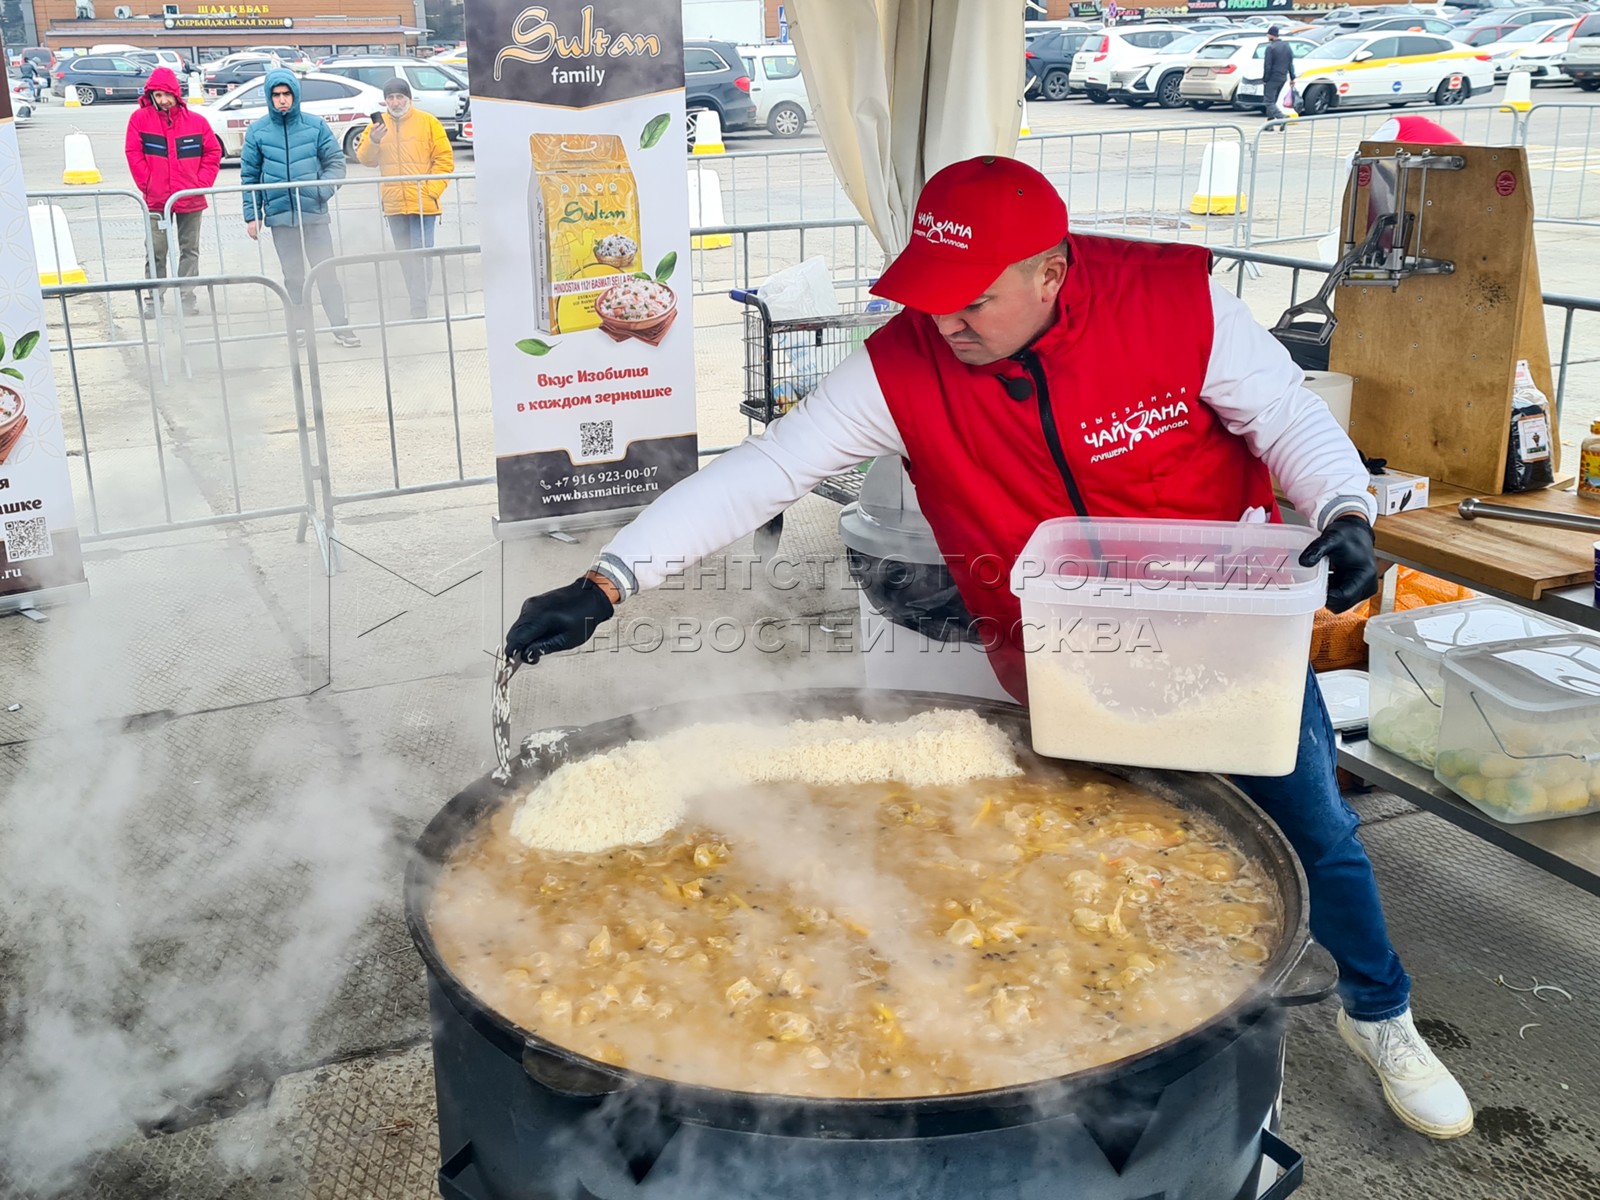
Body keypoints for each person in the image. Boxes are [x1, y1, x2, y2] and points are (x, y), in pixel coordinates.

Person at [501, 156, 1476, 1141]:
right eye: (930, 299)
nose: (945, 324)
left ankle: (1378, 1013)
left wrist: (1345, 508)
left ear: (1049, 274)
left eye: (972, 301)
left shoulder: (1176, 305)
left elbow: (1289, 419)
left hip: (1220, 634)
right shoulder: (903, 361)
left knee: (1311, 829)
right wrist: (605, 581)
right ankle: (1103, 1037)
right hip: (1057, 651)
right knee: (1079, 842)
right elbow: (765, 471)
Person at [240, 68, 361, 348]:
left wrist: (322, 189)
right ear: (270, 98)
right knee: (293, 277)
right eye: (276, 95)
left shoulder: (315, 126)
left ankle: (341, 327)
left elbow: (335, 163)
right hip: (280, 217)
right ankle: (301, 329)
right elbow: (249, 176)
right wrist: (252, 215)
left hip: (314, 215)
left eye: (286, 94)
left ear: (295, 95)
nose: (282, 100)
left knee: (326, 272)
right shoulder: (257, 130)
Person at [124, 66, 222, 319]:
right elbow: (133, 154)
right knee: (156, 251)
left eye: (167, 94)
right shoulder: (139, 119)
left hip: (190, 197)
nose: (163, 100)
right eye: (158, 95)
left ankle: (187, 296)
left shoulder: (197, 122)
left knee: (190, 249)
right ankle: (154, 298)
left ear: (177, 94)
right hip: (156, 199)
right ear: (151, 95)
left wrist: (201, 183)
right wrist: (147, 184)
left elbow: (212, 153)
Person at [355, 76, 455, 319]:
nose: (395, 102)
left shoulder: (428, 122)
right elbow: (366, 160)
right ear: (385, 101)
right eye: (390, 97)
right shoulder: (377, 127)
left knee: (421, 256)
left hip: (423, 204)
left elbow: (444, 160)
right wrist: (373, 141)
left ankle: (419, 306)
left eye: (400, 97)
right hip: (394, 204)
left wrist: (430, 191)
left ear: (409, 98)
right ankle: (414, 298)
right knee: (404, 257)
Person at [1263, 26, 1296, 122]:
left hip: (1272, 77)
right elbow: (1290, 63)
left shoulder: (1270, 47)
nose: (1267, 36)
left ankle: (1281, 117)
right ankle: (1270, 123)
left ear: (1271, 35)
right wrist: (1292, 77)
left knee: (1268, 101)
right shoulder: (1287, 46)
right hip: (1283, 77)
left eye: (1268, 34)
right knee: (1273, 101)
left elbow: (1267, 66)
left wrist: (1265, 79)